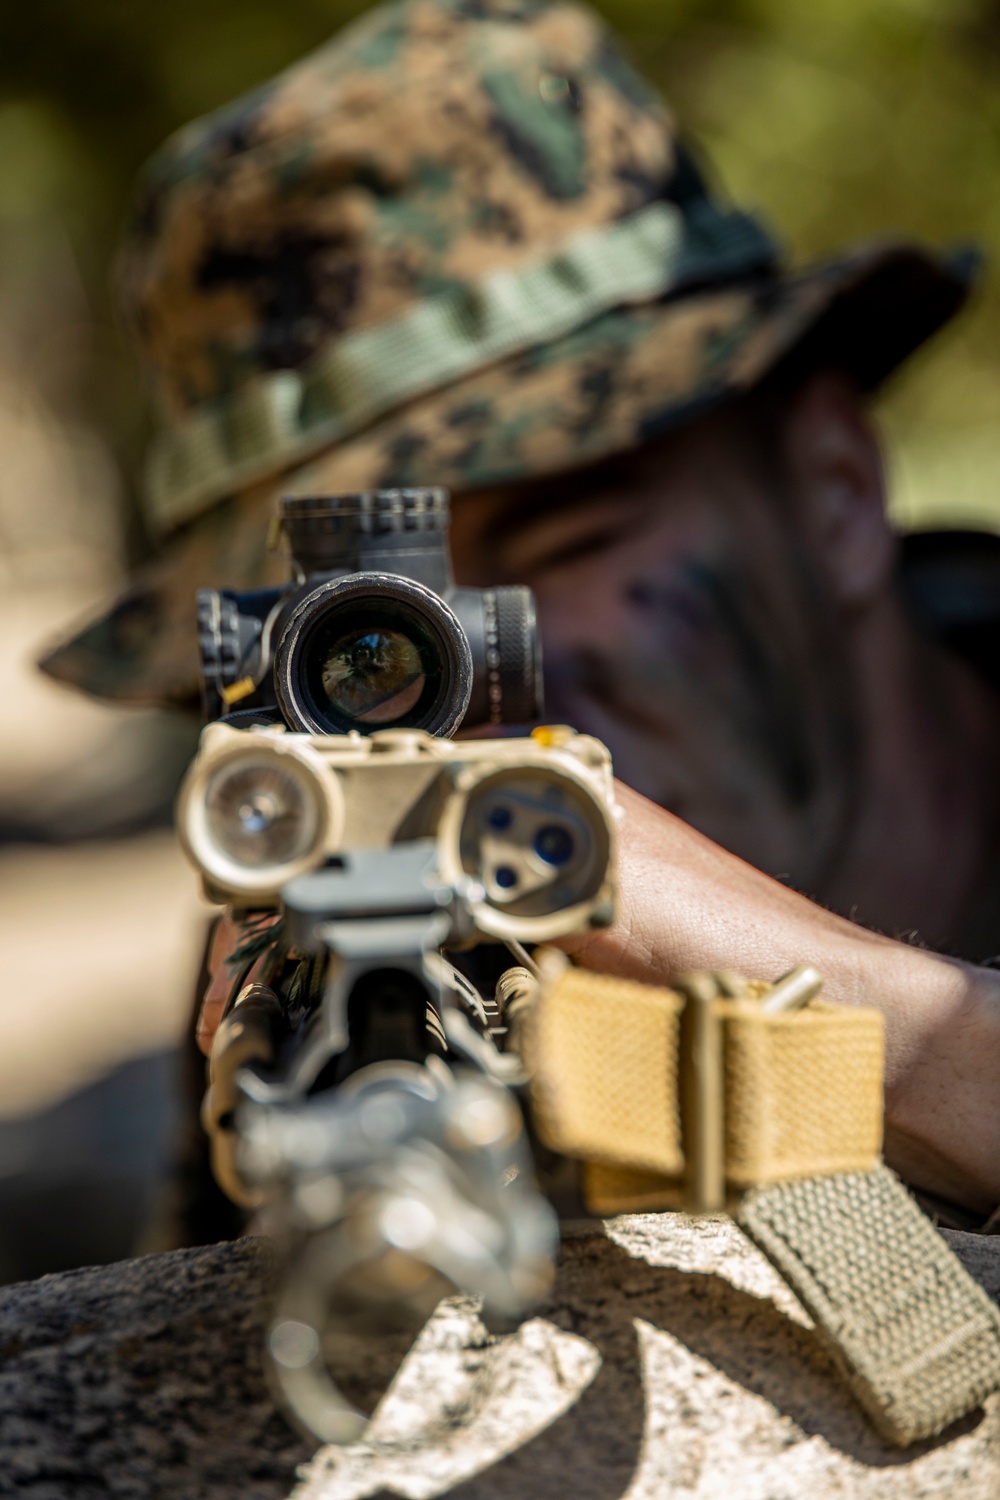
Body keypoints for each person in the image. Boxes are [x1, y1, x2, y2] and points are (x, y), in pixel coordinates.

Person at [41, 0, 1000, 1230]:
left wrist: (879, 1036)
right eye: (361, 649)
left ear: (833, 488)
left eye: (569, 544)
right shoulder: (335, 973)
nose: (471, 708)